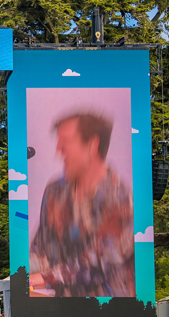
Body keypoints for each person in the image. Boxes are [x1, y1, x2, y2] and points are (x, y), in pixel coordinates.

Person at [30, 112, 135, 297]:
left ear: (92, 145)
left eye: (66, 142)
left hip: (110, 308)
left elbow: (99, 264)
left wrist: (44, 278)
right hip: (60, 309)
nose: (58, 150)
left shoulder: (122, 198)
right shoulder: (55, 190)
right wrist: (23, 276)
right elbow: (41, 248)